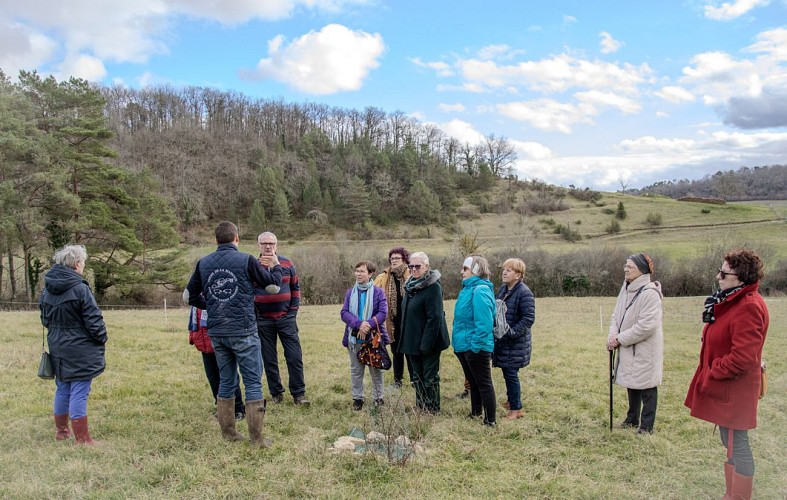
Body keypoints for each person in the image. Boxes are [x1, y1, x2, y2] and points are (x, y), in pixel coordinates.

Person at [184, 221, 282, 447]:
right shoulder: (247, 260)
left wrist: (212, 304)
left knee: (226, 381)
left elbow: (188, 297)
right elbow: (273, 288)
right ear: (236, 239)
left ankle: (229, 434)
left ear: (216, 240)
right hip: (244, 329)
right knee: (253, 382)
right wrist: (276, 267)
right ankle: (256, 439)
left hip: (217, 332)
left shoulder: (204, 262)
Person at [684, 248, 769, 500]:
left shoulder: (748, 306)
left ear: (741, 278)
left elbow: (743, 357)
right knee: (730, 441)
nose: (718, 276)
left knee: (737, 444)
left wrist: (713, 371)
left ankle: (738, 497)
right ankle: (731, 495)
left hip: (734, 390)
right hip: (727, 389)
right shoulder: (730, 300)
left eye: (724, 273)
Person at [39, 245, 108, 445]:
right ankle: (82, 439)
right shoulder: (80, 288)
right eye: (83, 262)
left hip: (57, 344)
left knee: (62, 386)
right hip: (80, 347)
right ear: (77, 264)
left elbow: (45, 319)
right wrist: (101, 338)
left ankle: (62, 432)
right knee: (79, 388)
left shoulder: (47, 289)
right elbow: (94, 320)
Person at [606, 253, 664, 435]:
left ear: (641, 270)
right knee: (632, 381)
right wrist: (613, 335)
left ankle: (646, 426)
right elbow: (616, 315)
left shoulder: (650, 293)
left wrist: (620, 338)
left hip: (645, 348)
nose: (625, 269)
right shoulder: (626, 289)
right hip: (627, 345)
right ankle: (632, 418)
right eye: (625, 265)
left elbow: (647, 326)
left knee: (647, 385)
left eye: (629, 266)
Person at [253, 232, 310, 406]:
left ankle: (299, 395)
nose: (268, 246)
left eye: (271, 243)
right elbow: (249, 291)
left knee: (294, 357)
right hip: (263, 320)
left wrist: (292, 312)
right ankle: (276, 393)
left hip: (286, 318)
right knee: (269, 359)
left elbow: (295, 288)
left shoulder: (287, 263)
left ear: (276, 245)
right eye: (264, 243)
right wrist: (256, 315)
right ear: (259, 246)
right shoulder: (253, 266)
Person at [397, 252, 450, 414]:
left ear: (426, 267)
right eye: (411, 266)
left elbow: (434, 318)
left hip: (429, 342)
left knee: (429, 377)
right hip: (412, 341)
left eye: (417, 266)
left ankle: (432, 408)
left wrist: (426, 345)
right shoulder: (410, 285)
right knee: (417, 378)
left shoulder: (433, 287)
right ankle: (421, 406)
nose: (413, 269)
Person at [452, 255, 497, 427]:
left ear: (476, 270)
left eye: (465, 269)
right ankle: (476, 412)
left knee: (484, 383)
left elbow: (484, 323)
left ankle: (490, 419)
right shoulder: (466, 290)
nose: (461, 272)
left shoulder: (480, 290)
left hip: (475, 346)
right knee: (473, 381)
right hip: (464, 345)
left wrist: (475, 346)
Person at [340, 261, 390, 410]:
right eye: (356, 271)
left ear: (370, 274)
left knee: (376, 369)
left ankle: (378, 398)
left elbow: (383, 313)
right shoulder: (350, 292)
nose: (358, 274)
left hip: (373, 338)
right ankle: (357, 399)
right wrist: (359, 324)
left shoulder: (378, 292)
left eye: (362, 271)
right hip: (354, 338)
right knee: (356, 370)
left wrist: (367, 324)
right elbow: (344, 313)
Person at [492, 258, 536, 420]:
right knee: (507, 371)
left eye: (509, 270)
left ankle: (516, 409)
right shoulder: (503, 289)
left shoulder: (524, 293)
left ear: (518, 275)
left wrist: (511, 333)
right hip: (503, 341)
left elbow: (528, 319)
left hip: (515, 342)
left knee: (511, 373)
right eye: (504, 269)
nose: (504, 272)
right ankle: (512, 401)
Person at [187, 306, 245, 420]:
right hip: (204, 345)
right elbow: (194, 319)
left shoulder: (215, 294)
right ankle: (222, 407)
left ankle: (238, 408)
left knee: (228, 376)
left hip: (220, 343)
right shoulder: (196, 299)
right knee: (213, 377)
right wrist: (192, 335)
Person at [373, 247, 411, 388]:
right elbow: (374, 294)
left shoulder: (410, 275)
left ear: (404, 260)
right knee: (396, 352)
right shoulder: (384, 277)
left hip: (409, 321)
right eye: (392, 258)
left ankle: (414, 380)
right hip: (392, 321)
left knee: (410, 352)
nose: (394, 261)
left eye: (397, 258)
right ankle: (398, 381)